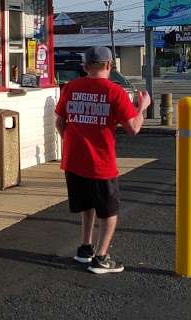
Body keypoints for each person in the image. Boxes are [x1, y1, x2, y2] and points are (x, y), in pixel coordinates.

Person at [55, 46, 151, 274]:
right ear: (109, 65)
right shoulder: (114, 92)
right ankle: (101, 258)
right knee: (108, 213)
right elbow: (133, 128)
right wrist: (142, 107)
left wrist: (72, 143)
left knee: (86, 206)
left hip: (73, 161)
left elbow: (60, 122)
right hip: (101, 165)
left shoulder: (70, 88)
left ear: (85, 66)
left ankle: (85, 249)